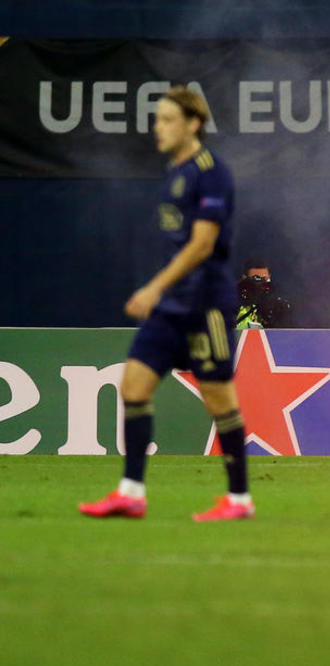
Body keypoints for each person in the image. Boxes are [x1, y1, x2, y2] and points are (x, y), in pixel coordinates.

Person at [79, 85, 253, 520]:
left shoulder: (211, 172)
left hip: (205, 306)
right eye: (157, 119)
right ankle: (131, 491)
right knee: (134, 385)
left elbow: (201, 245)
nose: (158, 127)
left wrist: (153, 288)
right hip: (171, 308)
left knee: (219, 401)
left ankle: (239, 499)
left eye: (167, 119)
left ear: (193, 124)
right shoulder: (173, 172)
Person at [237, 258, 291, 329]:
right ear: (244, 278)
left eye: (264, 279)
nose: (260, 284)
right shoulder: (234, 302)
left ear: (269, 277)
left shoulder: (278, 305)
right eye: (256, 279)